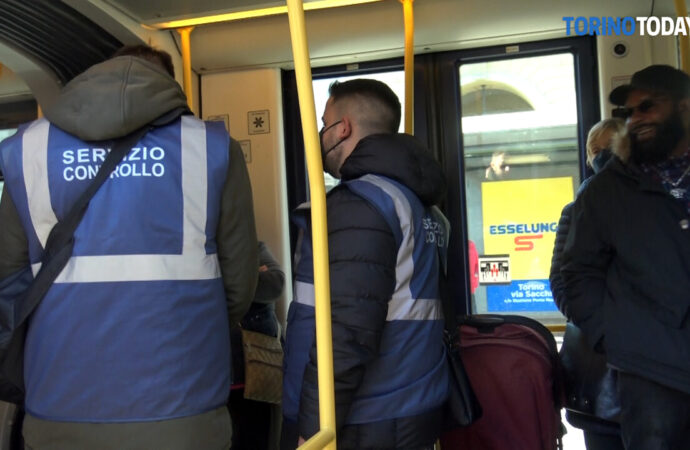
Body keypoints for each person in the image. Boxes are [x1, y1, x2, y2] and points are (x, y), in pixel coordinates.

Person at [0, 44, 258, 449]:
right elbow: (240, 287)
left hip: (58, 406)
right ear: (170, 88)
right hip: (183, 409)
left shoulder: (27, 150)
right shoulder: (210, 148)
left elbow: (8, 281)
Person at [282, 79, 449, 449]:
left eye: (324, 124)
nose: (321, 135)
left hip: (366, 417)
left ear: (343, 128)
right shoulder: (422, 205)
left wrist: (312, 429)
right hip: (411, 403)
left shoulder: (361, 204)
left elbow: (346, 331)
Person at [561, 64, 690, 450]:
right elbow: (576, 274)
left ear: (684, 107)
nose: (636, 119)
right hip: (649, 369)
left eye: (648, 106)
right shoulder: (605, 193)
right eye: (630, 112)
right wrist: (617, 337)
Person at [549, 118, 625, 450]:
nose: (599, 157)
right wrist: (600, 327)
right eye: (594, 151)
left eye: (607, 150)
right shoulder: (575, 209)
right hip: (597, 364)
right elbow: (561, 281)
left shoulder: (655, 201)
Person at [229, 241, 284, 450]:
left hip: (255, 376)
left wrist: (223, 281)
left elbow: (275, 283)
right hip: (212, 384)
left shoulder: (253, 247)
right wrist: (251, 276)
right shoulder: (196, 256)